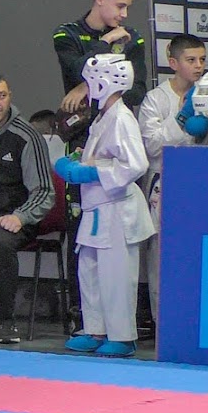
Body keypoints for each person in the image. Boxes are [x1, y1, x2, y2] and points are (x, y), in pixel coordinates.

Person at [52, 0, 147, 334]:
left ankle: (120, 327)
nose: (124, 14)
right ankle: (84, 319)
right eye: (119, 5)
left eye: (127, 8)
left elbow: (135, 87)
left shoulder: (133, 38)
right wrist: (107, 44)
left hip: (111, 128)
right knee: (81, 236)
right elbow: (77, 69)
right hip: (80, 129)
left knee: (113, 252)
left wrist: (89, 86)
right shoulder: (67, 34)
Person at [57, 54, 155, 358]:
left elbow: (136, 164)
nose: (87, 87)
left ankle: (123, 336)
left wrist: (92, 172)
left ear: (103, 82)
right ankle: (95, 328)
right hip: (96, 206)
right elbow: (103, 155)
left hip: (115, 209)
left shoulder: (123, 118)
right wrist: (79, 161)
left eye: (90, 82)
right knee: (89, 270)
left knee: (116, 276)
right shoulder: (103, 116)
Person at [0, 71, 55, 344]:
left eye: (2, 96)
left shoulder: (26, 137)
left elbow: (44, 191)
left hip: (12, 219)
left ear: (10, 98)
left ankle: (6, 321)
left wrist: (21, 216)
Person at [138, 35, 207, 332]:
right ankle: (163, 327)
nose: (199, 66)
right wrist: (182, 117)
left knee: (199, 256)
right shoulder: (155, 99)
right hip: (163, 185)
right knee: (162, 258)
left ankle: (197, 326)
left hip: (201, 184)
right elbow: (151, 148)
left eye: (203, 60)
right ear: (173, 63)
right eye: (191, 60)